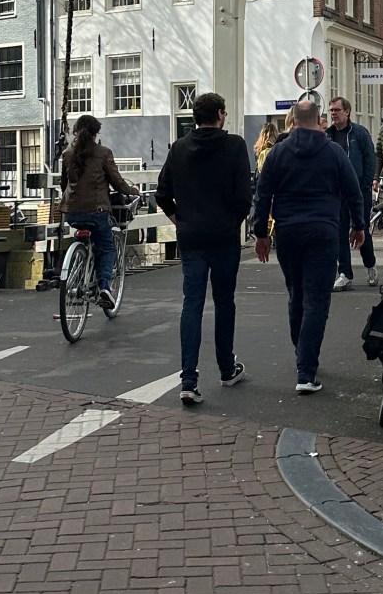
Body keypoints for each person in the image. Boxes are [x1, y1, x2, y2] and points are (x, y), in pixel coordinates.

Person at [253, 99, 363, 393]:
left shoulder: (277, 153)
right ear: (318, 120)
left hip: (288, 232)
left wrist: (261, 234)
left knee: (296, 294)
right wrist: (358, 226)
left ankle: (301, 354)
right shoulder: (334, 152)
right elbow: (353, 191)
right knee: (317, 299)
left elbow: (262, 195)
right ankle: (306, 370)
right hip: (323, 231)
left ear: (292, 121)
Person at [156, 91, 252, 407]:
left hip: (192, 237)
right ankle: (226, 368)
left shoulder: (179, 148)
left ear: (195, 117)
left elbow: (162, 193)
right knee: (225, 302)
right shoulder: (235, 146)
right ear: (221, 115)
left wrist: (180, 220)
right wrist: (230, 222)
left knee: (192, 303)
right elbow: (244, 197)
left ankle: (188, 379)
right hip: (224, 237)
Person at [60, 114, 144, 312]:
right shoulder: (103, 153)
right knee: (106, 247)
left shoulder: (67, 154)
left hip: (71, 212)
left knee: (82, 235)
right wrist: (133, 191)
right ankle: (104, 288)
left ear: (76, 131)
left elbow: (65, 185)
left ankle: (76, 272)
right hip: (97, 211)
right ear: (96, 133)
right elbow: (117, 182)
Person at [326, 96, 378, 290]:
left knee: (360, 229)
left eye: (337, 110)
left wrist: (365, 185)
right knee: (340, 232)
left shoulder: (360, 133)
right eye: (331, 110)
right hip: (336, 193)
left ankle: (371, 265)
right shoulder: (328, 135)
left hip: (358, 191)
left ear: (347, 112)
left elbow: (370, 159)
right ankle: (345, 273)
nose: (333, 114)